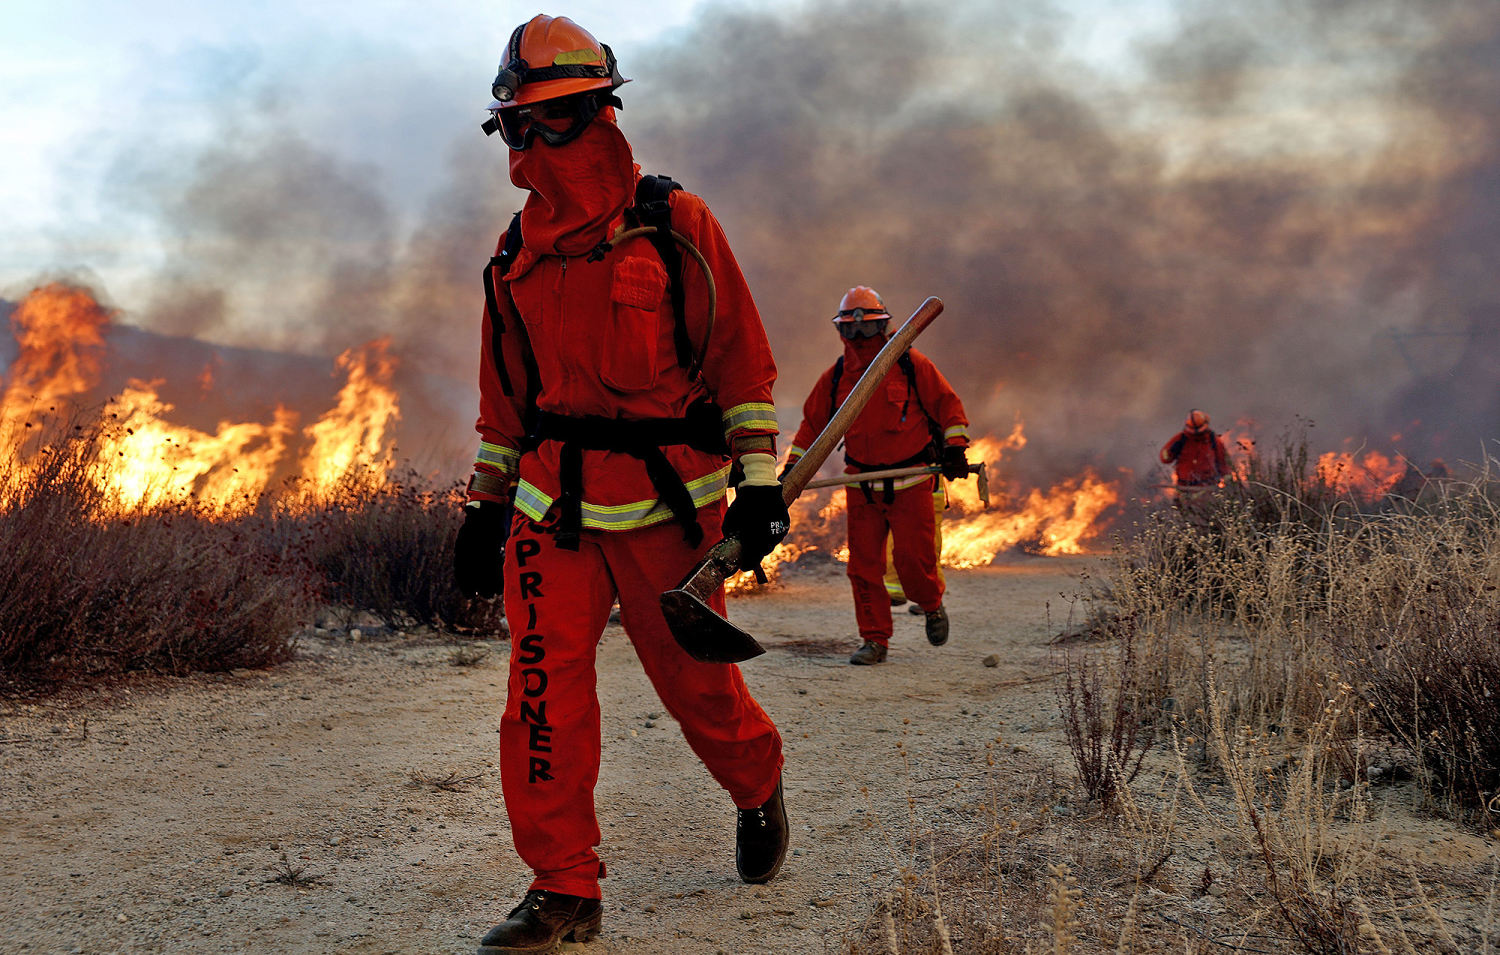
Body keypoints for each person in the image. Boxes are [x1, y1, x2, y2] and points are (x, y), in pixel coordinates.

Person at [451, 16, 791, 953]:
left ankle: (757, 782)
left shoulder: (678, 228)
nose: (533, 146)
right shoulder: (513, 257)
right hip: (549, 513)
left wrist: (758, 485)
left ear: (600, 114)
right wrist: (484, 509)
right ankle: (564, 888)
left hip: (667, 509)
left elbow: (742, 370)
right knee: (541, 698)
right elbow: (503, 409)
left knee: (699, 688)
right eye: (519, 127)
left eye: (553, 121)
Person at [783, 286, 972, 666]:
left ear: (884, 327)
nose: (859, 339)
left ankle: (932, 604)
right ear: (840, 332)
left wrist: (955, 447)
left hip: (911, 481)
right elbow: (811, 427)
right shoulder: (836, 377)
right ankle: (874, 641)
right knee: (863, 568)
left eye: (868, 329)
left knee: (912, 563)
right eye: (851, 331)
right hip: (862, 486)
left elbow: (948, 406)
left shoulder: (911, 364)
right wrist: (793, 469)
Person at [1159, 409, 1230, 486]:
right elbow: (1164, 459)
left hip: (1208, 486)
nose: (1196, 434)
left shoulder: (1214, 440)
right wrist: (1171, 452)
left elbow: (1223, 463)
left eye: (1199, 431)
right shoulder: (1180, 439)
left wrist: (1228, 479)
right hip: (1185, 487)